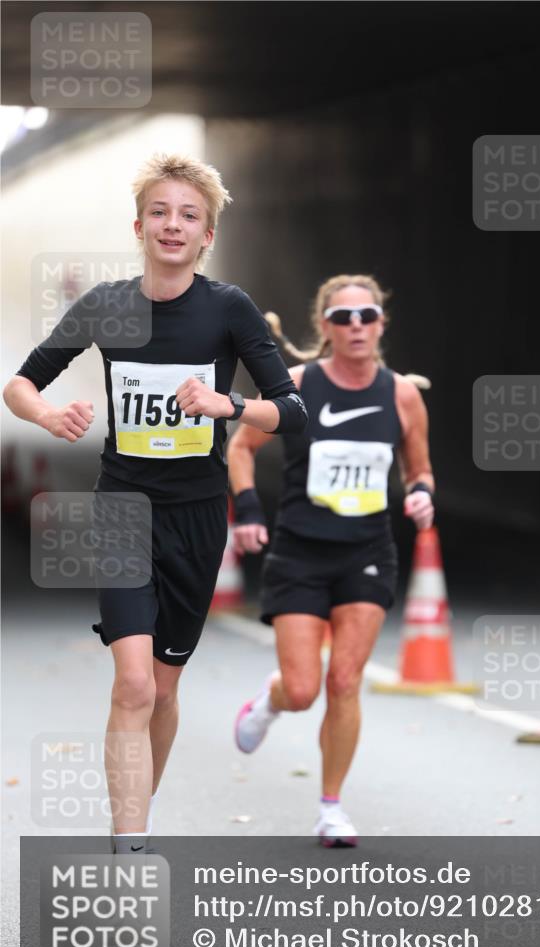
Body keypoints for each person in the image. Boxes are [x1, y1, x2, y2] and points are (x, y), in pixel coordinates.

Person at [3, 153, 307, 853]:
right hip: (122, 511)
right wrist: (47, 417)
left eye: (189, 216)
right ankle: (130, 846)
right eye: (161, 212)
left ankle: (135, 808)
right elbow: (20, 385)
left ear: (206, 236)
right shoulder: (108, 304)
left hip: (198, 521)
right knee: (133, 685)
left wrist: (226, 403)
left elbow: (291, 412)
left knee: (165, 692)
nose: (173, 225)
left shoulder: (227, 308)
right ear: (139, 225)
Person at [228, 274, 434, 846]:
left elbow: (418, 469)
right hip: (299, 553)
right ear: (325, 328)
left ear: (381, 323)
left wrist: (422, 494)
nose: (356, 326)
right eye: (343, 318)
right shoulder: (297, 386)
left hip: (367, 554)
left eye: (366, 315)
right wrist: (247, 508)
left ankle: (331, 808)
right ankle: (269, 702)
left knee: (344, 679)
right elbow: (240, 447)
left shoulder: (402, 395)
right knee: (302, 689)